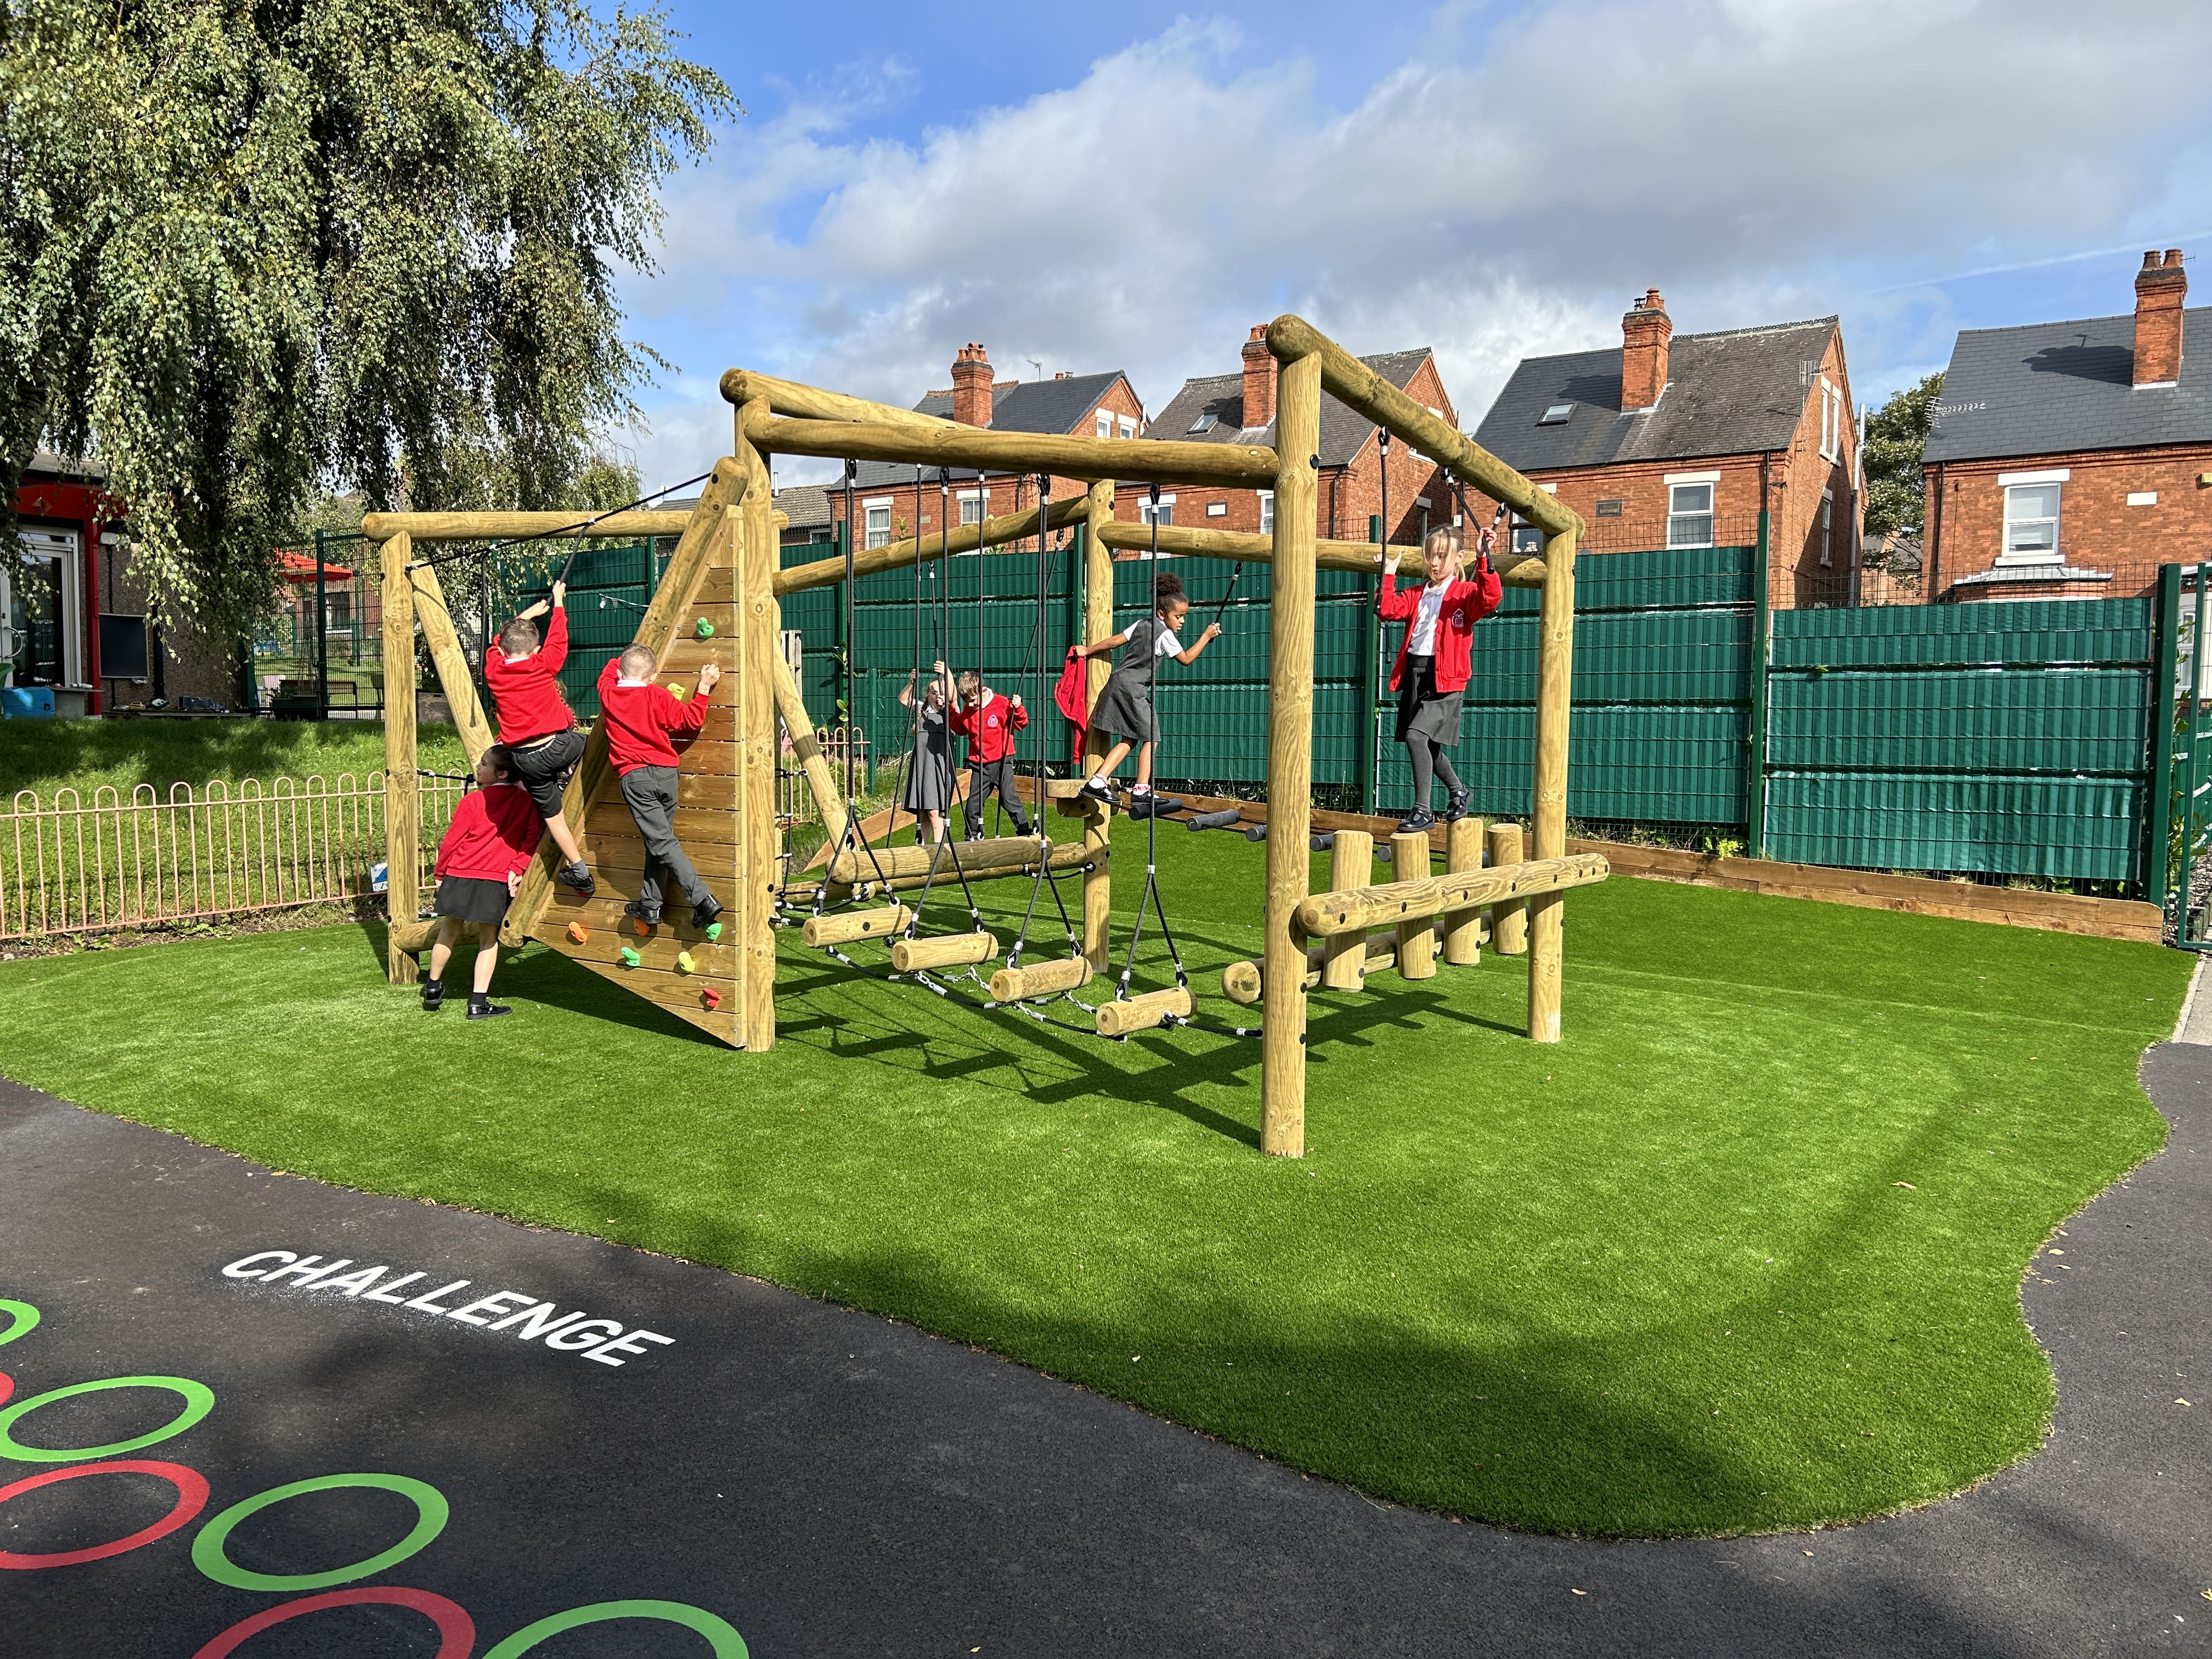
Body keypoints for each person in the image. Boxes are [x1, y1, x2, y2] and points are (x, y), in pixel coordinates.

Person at [1376, 523, 1504, 832]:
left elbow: (1491, 598)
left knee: (1415, 737)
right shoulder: (1418, 593)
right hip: (1417, 673)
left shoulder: (1464, 594)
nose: (1435, 563)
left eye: (1442, 556)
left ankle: (1423, 811)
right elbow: (1386, 609)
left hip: (1446, 679)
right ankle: (1459, 791)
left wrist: (1483, 557)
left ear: (1459, 558)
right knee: (1428, 745)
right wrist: (1389, 574)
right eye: (1430, 556)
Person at [1072, 571, 1220, 816]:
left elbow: (1114, 641)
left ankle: (1098, 782)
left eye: (1184, 616)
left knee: (1131, 739)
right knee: (1152, 736)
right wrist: (1206, 636)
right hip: (1133, 690)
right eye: (1179, 616)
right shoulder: (1166, 635)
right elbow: (1186, 659)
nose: (1182, 621)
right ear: (1162, 614)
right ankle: (1141, 790)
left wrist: (1088, 650)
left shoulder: (1142, 624)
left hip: (1118, 683)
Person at [597, 644, 722, 930]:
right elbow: (691, 720)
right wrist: (703, 686)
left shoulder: (609, 693)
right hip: (666, 773)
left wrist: (623, 660)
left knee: (661, 842)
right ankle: (650, 905)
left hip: (636, 777)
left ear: (620, 672)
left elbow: (608, 671)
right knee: (659, 841)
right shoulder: (656, 694)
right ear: (653, 676)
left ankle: (703, 899)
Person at [483, 580, 594, 895]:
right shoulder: (543, 664)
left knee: (553, 816)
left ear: (503, 652)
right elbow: (559, 637)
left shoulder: (495, 670)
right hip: (559, 745)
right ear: (536, 650)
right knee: (593, 746)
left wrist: (526, 616)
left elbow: (497, 643)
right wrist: (558, 603)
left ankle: (580, 870)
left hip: (525, 759)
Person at [422, 744, 540, 1019]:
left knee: (448, 930)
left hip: (461, 873)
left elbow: (453, 840)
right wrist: (518, 867)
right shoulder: (527, 802)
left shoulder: (472, 802)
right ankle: (477, 1003)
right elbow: (532, 839)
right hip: (495, 879)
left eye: (484, 764)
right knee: (489, 939)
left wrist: (441, 873)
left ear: (501, 773)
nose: (478, 767)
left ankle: (432, 986)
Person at [948, 670, 1031, 840]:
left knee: (1008, 798)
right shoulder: (970, 709)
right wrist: (950, 710)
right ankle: (971, 835)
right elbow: (960, 727)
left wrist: (1018, 708)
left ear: (983, 691)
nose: (970, 705)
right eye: (967, 702)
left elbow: (1021, 724)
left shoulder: (1001, 703)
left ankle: (1024, 829)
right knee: (974, 804)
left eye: (973, 700)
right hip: (980, 765)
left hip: (1002, 760)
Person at [897, 659, 956, 844]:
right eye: (933, 693)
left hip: (938, 764)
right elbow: (904, 699)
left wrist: (948, 674)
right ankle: (922, 847)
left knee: (934, 809)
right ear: (928, 695)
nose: (938, 697)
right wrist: (912, 683)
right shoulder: (922, 709)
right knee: (923, 809)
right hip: (922, 763)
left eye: (941, 693)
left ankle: (939, 846)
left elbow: (953, 697)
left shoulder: (950, 712)